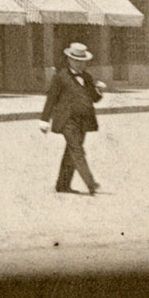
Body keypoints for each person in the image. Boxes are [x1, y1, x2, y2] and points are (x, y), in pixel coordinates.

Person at [43, 42, 103, 193]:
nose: (80, 64)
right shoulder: (60, 77)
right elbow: (51, 99)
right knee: (77, 150)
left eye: (83, 62)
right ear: (69, 60)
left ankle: (62, 185)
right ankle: (90, 183)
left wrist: (99, 91)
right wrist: (44, 120)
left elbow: (94, 98)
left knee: (71, 152)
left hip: (83, 120)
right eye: (76, 61)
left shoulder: (87, 77)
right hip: (67, 120)